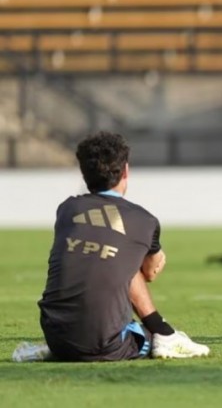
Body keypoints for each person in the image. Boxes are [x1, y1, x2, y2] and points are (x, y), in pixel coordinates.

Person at [12, 131, 210, 362]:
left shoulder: (67, 209)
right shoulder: (143, 220)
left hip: (55, 336)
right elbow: (150, 272)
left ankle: (56, 348)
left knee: (112, 257)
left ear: (84, 173)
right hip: (106, 345)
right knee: (146, 333)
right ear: (125, 170)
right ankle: (165, 335)